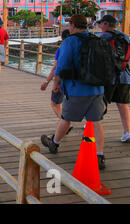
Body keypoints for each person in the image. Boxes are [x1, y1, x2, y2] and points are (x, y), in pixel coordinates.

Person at [41, 14, 107, 169]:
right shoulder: (96, 39)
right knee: (96, 122)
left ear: (73, 25)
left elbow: (61, 66)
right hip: (97, 88)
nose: (67, 27)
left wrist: (56, 84)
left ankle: (54, 143)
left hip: (76, 88)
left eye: (69, 24)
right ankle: (99, 155)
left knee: (65, 118)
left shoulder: (70, 42)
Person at [97, 15, 130, 143]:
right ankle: (127, 131)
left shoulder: (104, 37)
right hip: (125, 75)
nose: (100, 26)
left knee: (102, 101)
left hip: (109, 76)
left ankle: (94, 124)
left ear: (106, 24)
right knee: (123, 104)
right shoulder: (125, 37)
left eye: (101, 24)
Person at [40, 29, 73, 125]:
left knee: (54, 104)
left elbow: (55, 67)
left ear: (62, 38)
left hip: (62, 80)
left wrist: (47, 82)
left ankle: (65, 124)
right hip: (74, 80)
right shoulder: (75, 48)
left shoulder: (61, 49)